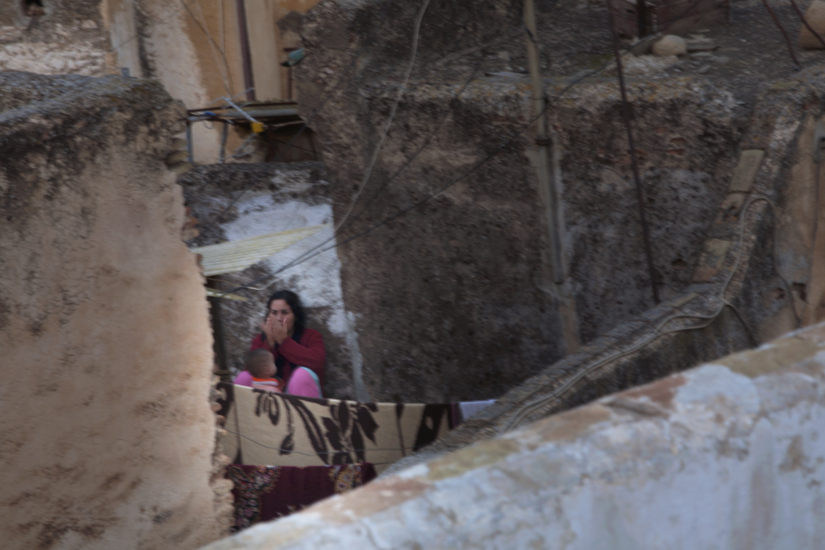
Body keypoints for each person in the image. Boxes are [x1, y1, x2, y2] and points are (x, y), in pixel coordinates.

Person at [234, 290, 326, 398]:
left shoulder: (311, 336)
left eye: (285, 312)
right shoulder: (260, 339)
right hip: (269, 398)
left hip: (298, 398)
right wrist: (269, 343)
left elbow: (317, 362)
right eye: (274, 313)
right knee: (244, 377)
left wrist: (284, 341)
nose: (279, 318)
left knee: (302, 375)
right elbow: (252, 369)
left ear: (295, 316)